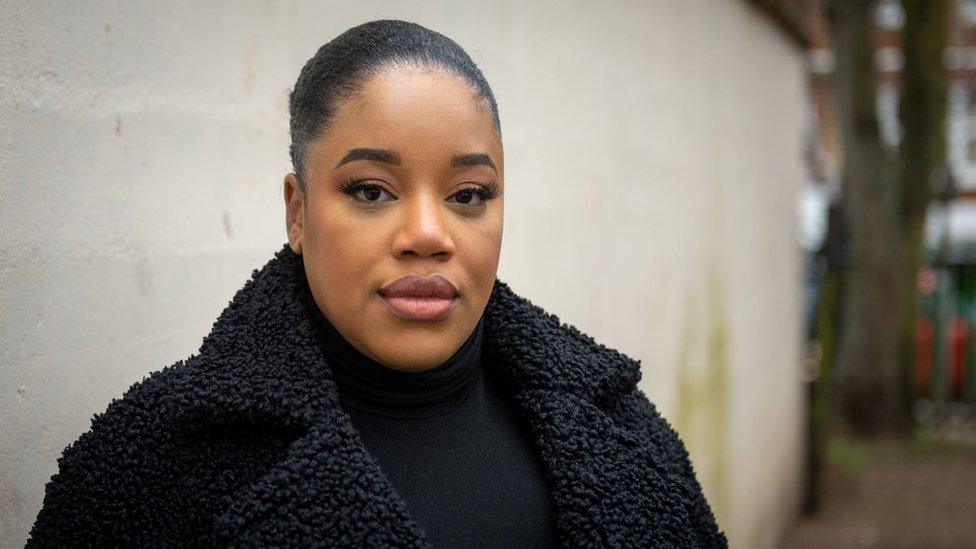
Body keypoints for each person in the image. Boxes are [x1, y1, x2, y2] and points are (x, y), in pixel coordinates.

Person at [27, 19, 726, 548]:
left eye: (469, 194)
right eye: (370, 190)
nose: (428, 232)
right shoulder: (149, 463)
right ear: (298, 212)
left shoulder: (626, 435)